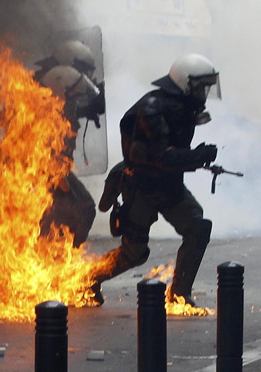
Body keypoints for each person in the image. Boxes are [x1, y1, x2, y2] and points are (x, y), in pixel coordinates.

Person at [92, 53, 220, 306]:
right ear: (185, 83)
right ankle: (85, 280)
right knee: (134, 253)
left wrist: (197, 158)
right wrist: (198, 156)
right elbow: (159, 156)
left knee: (198, 227)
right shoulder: (152, 109)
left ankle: (179, 295)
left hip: (169, 186)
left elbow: (172, 156)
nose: (204, 92)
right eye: (200, 86)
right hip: (141, 189)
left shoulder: (183, 107)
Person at [35, 40, 105, 247]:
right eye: (82, 71)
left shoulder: (62, 89)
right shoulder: (50, 88)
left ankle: (57, 263)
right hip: (42, 167)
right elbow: (37, 143)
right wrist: (57, 175)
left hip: (55, 167)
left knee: (71, 213)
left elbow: (74, 111)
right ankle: (53, 263)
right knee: (78, 209)